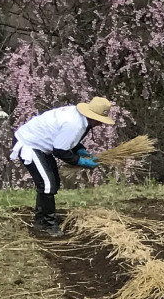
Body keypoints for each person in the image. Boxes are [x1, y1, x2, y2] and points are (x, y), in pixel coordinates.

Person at [10, 96, 115, 236]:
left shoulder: (80, 118)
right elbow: (59, 150)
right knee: (47, 184)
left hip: (42, 146)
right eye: (100, 121)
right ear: (93, 117)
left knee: (53, 181)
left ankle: (42, 218)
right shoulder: (74, 124)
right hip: (30, 144)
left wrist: (80, 150)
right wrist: (80, 161)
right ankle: (47, 224)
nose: (101, 124)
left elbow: (67, 138)